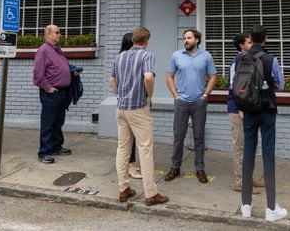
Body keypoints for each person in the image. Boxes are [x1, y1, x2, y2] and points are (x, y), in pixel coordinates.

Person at [234, 25, 288, 222]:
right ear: (265, 39)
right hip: (266, 110)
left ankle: (246, 205)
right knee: (268, 156)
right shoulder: (271, 59)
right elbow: (280, 85)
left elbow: (235, 82)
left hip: (248, 111)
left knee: (248, 153)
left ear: (252, 39)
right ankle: (271, 208)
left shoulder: (241, 58)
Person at [109, 26, 168, 206]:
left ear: (133, 39)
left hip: (121, 107)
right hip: (138, 108)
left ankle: (123, 188)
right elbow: (148, 77)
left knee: (123, 148)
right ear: (146, 41)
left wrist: (120, 93)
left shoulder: (119, 57)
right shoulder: (146, 55)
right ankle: (151, 193)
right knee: (145, 149)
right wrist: (148, 96)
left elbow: (111, 80)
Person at [164, 29, 217, 184]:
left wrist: (206, 95)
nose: (186, 40)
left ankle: (200, 168)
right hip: (181, 102)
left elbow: (213, 76)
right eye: (184, 38)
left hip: (199, 103)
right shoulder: (177, 55)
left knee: (199, 137)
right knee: (178, 136)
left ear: (197, 40)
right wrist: (175, 95)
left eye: (189, 38)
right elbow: (169, 76)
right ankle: (175, 167)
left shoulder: (206, 56)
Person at [33, 24, 77, 164]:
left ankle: (56, 146)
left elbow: (59, 67)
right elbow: (38, 74)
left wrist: (72, 72)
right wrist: (48, 88)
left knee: (58, 121)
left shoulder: (57, 50)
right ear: (48, 35)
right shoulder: (43, 50)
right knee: (48, 122)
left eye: (59, 32)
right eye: (57, 33)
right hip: (51, 92)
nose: (59, 35)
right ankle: (44, 152)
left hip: (62, 92)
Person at [228, 32, 263, 194]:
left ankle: (248, 177)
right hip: (238, 109)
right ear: (242, 45)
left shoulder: (249, 60)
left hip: (248, 108)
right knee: (240, 145)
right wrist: (240, 108)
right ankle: (240, 182)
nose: (251, 44)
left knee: (250, 144)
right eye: (248, 42)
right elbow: (235, 87)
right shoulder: (238, 60)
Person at [119, 32, 142, 180]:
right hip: (130, 106)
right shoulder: (126, 60)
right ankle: (130, 166)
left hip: (127, 104)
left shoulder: (122, 58)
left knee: (129, 138)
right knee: (127, 140)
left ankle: (129, 163)